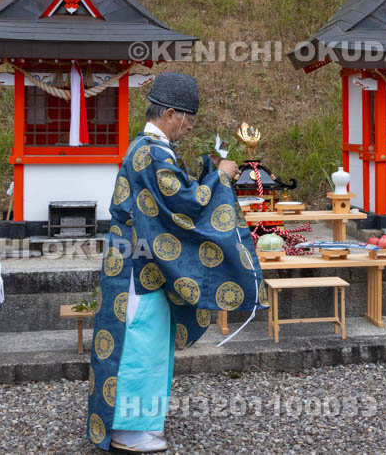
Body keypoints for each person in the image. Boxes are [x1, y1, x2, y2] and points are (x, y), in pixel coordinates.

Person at [86, 72, 267, 452]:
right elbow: (184, 204)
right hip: (139, 269)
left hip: (136, 261)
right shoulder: (152, 151)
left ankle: (139, 423)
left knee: (146, 345)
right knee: (138, 347)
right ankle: (128, 431)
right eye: (188, 120)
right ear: (169, 113)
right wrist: (220, 177)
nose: (189, 127)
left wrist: (206, 171)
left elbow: (173, 195)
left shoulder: (149, 149)